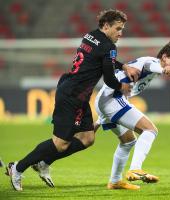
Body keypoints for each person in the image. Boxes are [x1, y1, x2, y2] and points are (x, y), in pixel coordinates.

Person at [6, 9, 140, 191]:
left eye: (122, 29)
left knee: (87, 138)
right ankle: (18, 168)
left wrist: (123, 65)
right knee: (60, 143)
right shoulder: (109, 47)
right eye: (118, 28)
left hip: (76, 92)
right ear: (106, 26)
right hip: (71, 96)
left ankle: (44, 163)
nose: (120, 33)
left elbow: (102, 59)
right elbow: (109, 78)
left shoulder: (91, 36)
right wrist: (122, 87)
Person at [94, 42, 170, 190]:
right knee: (150, 130)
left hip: (107, 100)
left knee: (128, 142)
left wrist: (100, 120)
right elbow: (150, 66)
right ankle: (135, 168)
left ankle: (115, 181)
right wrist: (164, 69)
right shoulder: (152, 62)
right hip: (112, 99)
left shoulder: (154, 67)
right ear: (164, 56)